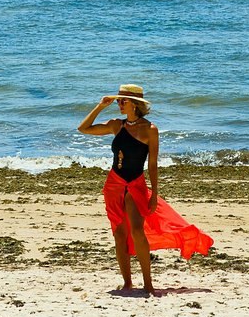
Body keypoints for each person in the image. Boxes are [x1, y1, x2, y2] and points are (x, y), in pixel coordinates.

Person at [78, 84, 213, 296]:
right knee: (119, 234)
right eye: (118, 100)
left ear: (135, 104)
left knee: (137, 231)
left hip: (136, 183)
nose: (119, 104)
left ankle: (148, 284)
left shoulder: (150, 129)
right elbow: (83, 128)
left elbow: (152, 165)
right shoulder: (116, 125)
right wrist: (100, 106)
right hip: (114, 184)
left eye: (123, 100)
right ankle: (127, 283)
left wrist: (155, 194)